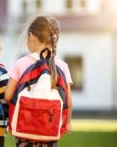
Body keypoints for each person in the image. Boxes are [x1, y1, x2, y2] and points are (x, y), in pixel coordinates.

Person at [5, 15, 73, 147]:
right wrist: (68, 123)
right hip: (50, 129)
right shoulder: (62, 66)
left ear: (31, 36)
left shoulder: (21, 63)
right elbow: (68, 101)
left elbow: (8, 96)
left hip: (24, 128)